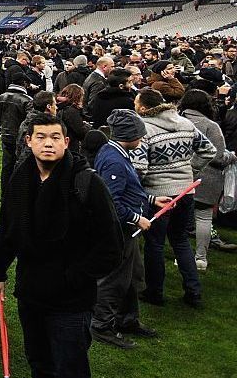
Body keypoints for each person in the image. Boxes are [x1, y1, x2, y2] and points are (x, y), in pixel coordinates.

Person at [0, 113, 123, 378]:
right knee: (40, 364)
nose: (48, 143)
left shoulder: (86, 182)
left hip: (70, 301)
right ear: (29, 141)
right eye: (41, 137)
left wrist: (74, 277)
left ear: (66, 142)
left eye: (55, 137)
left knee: (70, 368)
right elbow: (8, 229)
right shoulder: (20, 179)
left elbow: (111, 245)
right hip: (30, 293)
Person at [135, 87, 216, 307]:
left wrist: (140, 186)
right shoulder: (185, 123)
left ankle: (154, 292)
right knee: (180, 241)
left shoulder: (144, 129)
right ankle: (193, 292)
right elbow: (209, 151)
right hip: (185, 192)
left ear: (143, 107)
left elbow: (140, 167)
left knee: (155, 244)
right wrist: (190, 171)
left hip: (158, 193)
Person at [90, 109, 164, 349]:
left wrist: (151, 200)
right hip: (120, 230)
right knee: (115, 280)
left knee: (131, 277)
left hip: (127, 228)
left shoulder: (117, 154)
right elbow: (111, 201)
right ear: (129, 135)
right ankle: (102, 325)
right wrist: (136, 218)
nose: (142, 139)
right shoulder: (113, 159)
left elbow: (129, 188)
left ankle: (127, 319)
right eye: (140, 135)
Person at [178, 89, 236, 271]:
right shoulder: (211, 126)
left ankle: (182, 257)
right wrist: (232, 157)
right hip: (206, 179)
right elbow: (218, 157)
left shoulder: (176, 120)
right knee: (203, 218)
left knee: (180, 219)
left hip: (179, 176)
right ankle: (200, 258)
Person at [0, 72, 32, 189]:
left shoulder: (2, 97)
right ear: (25, 84)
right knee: (21, 166)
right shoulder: (27, 100)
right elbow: (29, 121)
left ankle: (4, 194)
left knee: (6, 166)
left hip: (6, 134)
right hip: (20, 137)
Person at [56, 84, 90, 153]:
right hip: (71, 147)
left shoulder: (60, 107)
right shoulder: (71, 111)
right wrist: (87, 126)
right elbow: (81, 132)